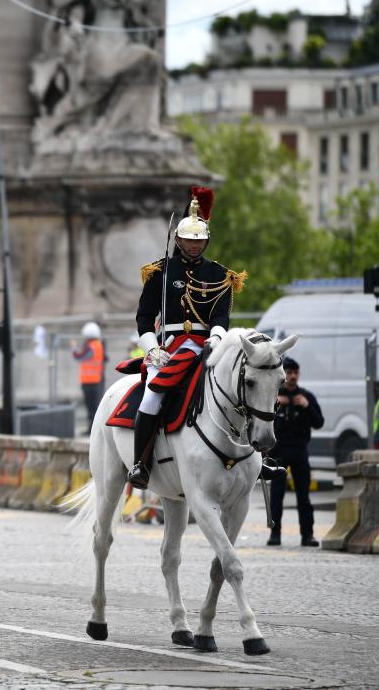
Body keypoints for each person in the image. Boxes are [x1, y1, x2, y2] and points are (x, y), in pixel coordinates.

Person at [129, 186, 287, 489]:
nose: (193, 246)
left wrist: (215, 339)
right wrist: (151, 349)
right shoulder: (159, 273)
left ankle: (257, 460)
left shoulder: (220, 275)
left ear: (206, 242)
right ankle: (140, 463)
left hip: (209, 345)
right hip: (169, 349)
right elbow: (144, 319)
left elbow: (220, 317)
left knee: (242, 391)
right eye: (188, 240)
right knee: (153, 395)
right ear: (178, 240)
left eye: (199, 241)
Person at [267, 357, 324, 547]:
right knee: (276, 495)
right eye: (289, 373)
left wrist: (306, 406)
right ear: (283, 375)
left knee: (303, 496)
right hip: (279, 452)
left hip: (300, 451)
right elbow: (259, 420)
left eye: (295, 373)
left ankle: (307, 535)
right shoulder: (274, 395)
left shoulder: (305, 396)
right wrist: (276, 404)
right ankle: (275, 533)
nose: (292, 377)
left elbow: (319, 423)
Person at [71, 322, 104, 433]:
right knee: (92, 408)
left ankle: (92, 430)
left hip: (90, 382)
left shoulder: (92, 346)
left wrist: (74, 348)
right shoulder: (97, 345)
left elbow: (79, 357)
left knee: (92, 408)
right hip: (93, 381)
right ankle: (92, 429)